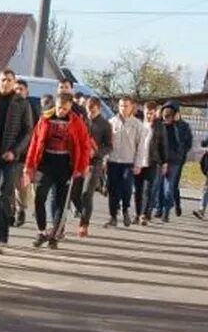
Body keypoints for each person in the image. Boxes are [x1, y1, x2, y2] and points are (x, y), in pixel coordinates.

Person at [24, 93, 91, 249]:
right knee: (39, 197)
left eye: (65, 108)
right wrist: (29, 165)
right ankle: (41, 231)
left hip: (65, 165)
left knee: (61, 202)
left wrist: (81, 167)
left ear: (70, 107)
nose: (62, 111)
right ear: (56, 104)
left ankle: (54, 234)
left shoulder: (76, 122)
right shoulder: (45, 118)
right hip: (46, 163)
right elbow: (35, 142)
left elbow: (85, 145)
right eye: (59, 107)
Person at [0, 69, 33, 254]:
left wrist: (15, 151)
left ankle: (1, 239)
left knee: (4, 196)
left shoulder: (21, 103)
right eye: (3, 80)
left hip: (10, 158)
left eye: (10, 80)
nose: (6, 83)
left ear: (14, 82)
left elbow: (28, 132)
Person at [71, 97, 112, 237]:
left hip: (95, 163)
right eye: (88, 107)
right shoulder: (81, 121)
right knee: (74, 193)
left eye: (93, 107)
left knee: (86, 193)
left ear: (98, 107)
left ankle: (84, 224)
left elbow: (109, 147)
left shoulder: (105, 124)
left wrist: (97, 152)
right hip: (79, 162)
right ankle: (83, 212)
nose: (90, 110)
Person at [105, 96, 145, 227]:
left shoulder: (137, 125)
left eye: (126, 106)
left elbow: (141, 146)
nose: (123, 108)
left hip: (128, 162)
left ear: (131, 107)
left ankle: (125, 209)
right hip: (113, 161)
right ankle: (113, 216)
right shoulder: (111, 122)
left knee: (127, 188)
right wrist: (105, 160)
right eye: (121, 106)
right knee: (113, 189)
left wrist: (138, 163)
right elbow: (106, 144)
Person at [134, 101, 167, 226]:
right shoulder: (138, 124)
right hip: (138, 161)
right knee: (138, 189)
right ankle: (138, 214)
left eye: (152, 114)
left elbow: (164, 145)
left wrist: (164, 162)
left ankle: (144, 214)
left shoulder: (159, 126)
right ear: (144, 110)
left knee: (148, 189)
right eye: (147, 113)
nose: (149, 116)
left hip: (152, 161)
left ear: (155, 113)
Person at [158, 101, 189, 222]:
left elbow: (186, 143)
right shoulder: (159, 125)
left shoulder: (182, 127)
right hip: (160, 160)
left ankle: (166, 211)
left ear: (176, 115)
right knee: (159, 187)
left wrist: (176, 125)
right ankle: (159, 208)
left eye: (170, 115)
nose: (167, 118)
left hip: (175, 161)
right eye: (165, 115)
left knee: (169, 187)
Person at [12, 78, 35, 227]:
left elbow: (34, 133)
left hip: (24, 153)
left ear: (27, 92)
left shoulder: (31, 108)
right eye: (16, 89)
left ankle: (21, 209)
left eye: (21, 89)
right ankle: (11, 210)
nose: (18, 91)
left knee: (21, 185)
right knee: (9, 184)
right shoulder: (9, 106)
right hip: (8, 151)